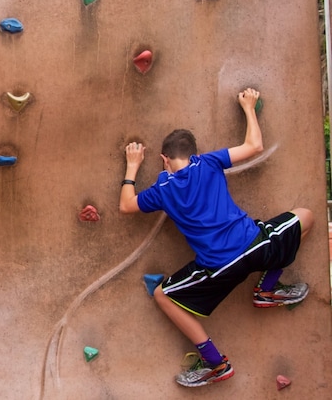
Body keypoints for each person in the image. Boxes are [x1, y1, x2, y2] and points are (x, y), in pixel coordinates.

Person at [119, 87, 313, 388]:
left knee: (162, 295)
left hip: (220, 266)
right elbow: (254, 145)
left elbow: (126, 205)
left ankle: (216, 363)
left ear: (164, 159)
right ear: (193, 154)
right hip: (255, 245)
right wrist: (248, 106)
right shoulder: (208, 162)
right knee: (305, 216)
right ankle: (267, 289)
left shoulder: (163, 190)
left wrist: (132, 167)